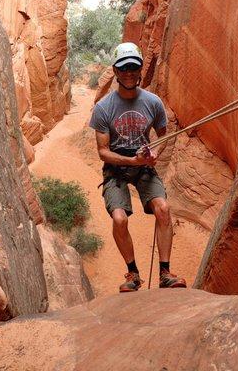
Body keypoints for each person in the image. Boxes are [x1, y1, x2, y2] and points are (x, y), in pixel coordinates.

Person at [89, 42, 187, 292]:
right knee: (119, 219)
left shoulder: (152, 102)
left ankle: (165, 273)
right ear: (116, 71)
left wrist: (155, 153)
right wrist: (130, 161)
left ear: (140, 69)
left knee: (163, 208)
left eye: (134, 67)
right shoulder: (104, 108)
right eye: (124, 68)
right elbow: (102, 152)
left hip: (143, 163)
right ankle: (133, 274)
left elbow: (165, 134)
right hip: (118, 166)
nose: (130, 73)